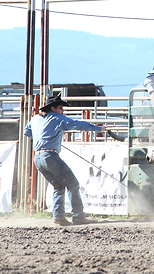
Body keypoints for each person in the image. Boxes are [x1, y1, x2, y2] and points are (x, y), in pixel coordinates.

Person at [23, 95, 106, 226]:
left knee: (58, 186)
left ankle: (59, 217)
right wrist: (98, 128)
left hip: (38, 158)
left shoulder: (35, 119)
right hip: (50, 156)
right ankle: (78, 216)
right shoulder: (57, 118)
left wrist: (43, 135)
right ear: (53, 108)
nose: (62, 111)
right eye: (61, 108)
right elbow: (77, 125)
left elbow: (26, 132)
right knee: (72, 184)